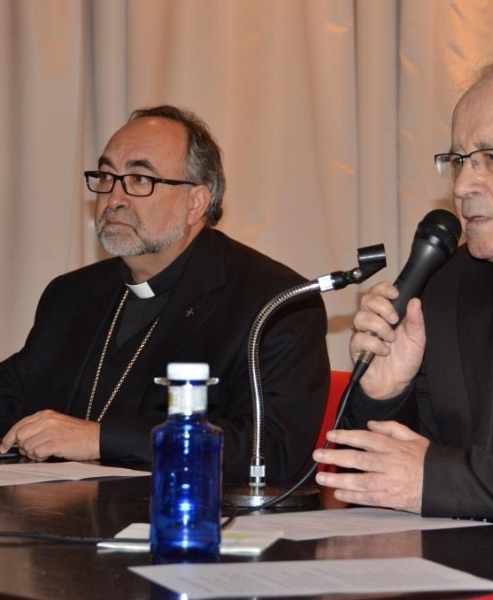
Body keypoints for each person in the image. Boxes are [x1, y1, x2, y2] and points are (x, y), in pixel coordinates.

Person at [313, 53, 493, 524]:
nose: (464, 184)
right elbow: (366, 490)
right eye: (458, 160)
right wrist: (387, 394)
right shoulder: (448, 287)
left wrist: (440, 479)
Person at [0, 105, 330, 482]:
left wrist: (101, 439)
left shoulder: (274, 302)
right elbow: (12, 394)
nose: (114, 198)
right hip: (57, 522)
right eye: (107, 176)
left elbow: (270, 450)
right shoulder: (71, 295)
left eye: (140, 179)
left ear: (196, 203)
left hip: (189, 524)